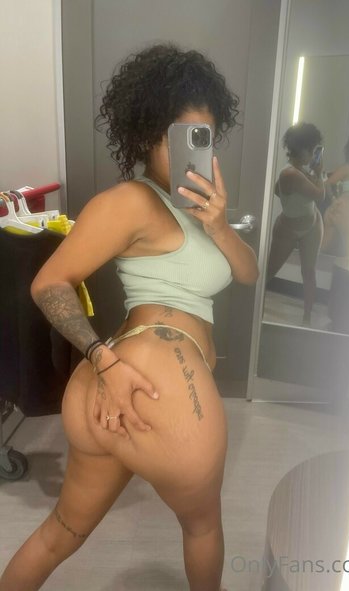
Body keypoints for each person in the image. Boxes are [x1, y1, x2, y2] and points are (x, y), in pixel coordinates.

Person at [0, 43, 259, 591]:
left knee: (60, 533)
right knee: (203, 528)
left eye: (205, 137)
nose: (195, 150)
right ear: (146, 135)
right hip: (142, 383)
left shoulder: (200, 210)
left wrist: (219, 226)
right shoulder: (130, 203)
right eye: (181, 137)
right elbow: (48, 283)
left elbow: (247, 273)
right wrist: (105, 361)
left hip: (107, 394)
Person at [266, 122, 325, 326]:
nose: (314, 154)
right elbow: (320, 195)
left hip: (312, 224)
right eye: (313, 149)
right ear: (303, 149)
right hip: (288, 229)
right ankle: (253, 309)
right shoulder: (290, 173)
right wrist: (318, 173)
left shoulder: (297, 171)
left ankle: (307, 318)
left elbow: (277, 191)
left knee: (309, 272)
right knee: (269, 271)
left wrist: (308, 179)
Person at [321, 133, 349, 257]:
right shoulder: (348, 168)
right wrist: (333, 199)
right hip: (344, 208)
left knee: (347, 249)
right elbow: (327, 183)